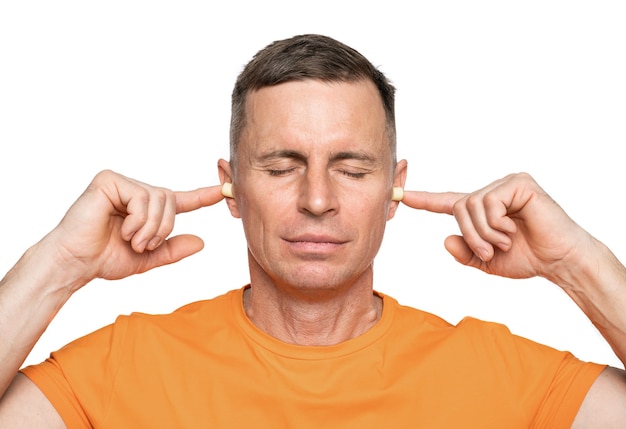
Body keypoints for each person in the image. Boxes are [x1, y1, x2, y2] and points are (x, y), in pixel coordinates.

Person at [0, 33, 625, 428]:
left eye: (352, 169)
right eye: (280, 166)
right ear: (232, 187)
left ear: (393, 190)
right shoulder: (124, 366)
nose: (318, 200)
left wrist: (573, 261)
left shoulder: (499, 373)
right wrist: (58, 264)